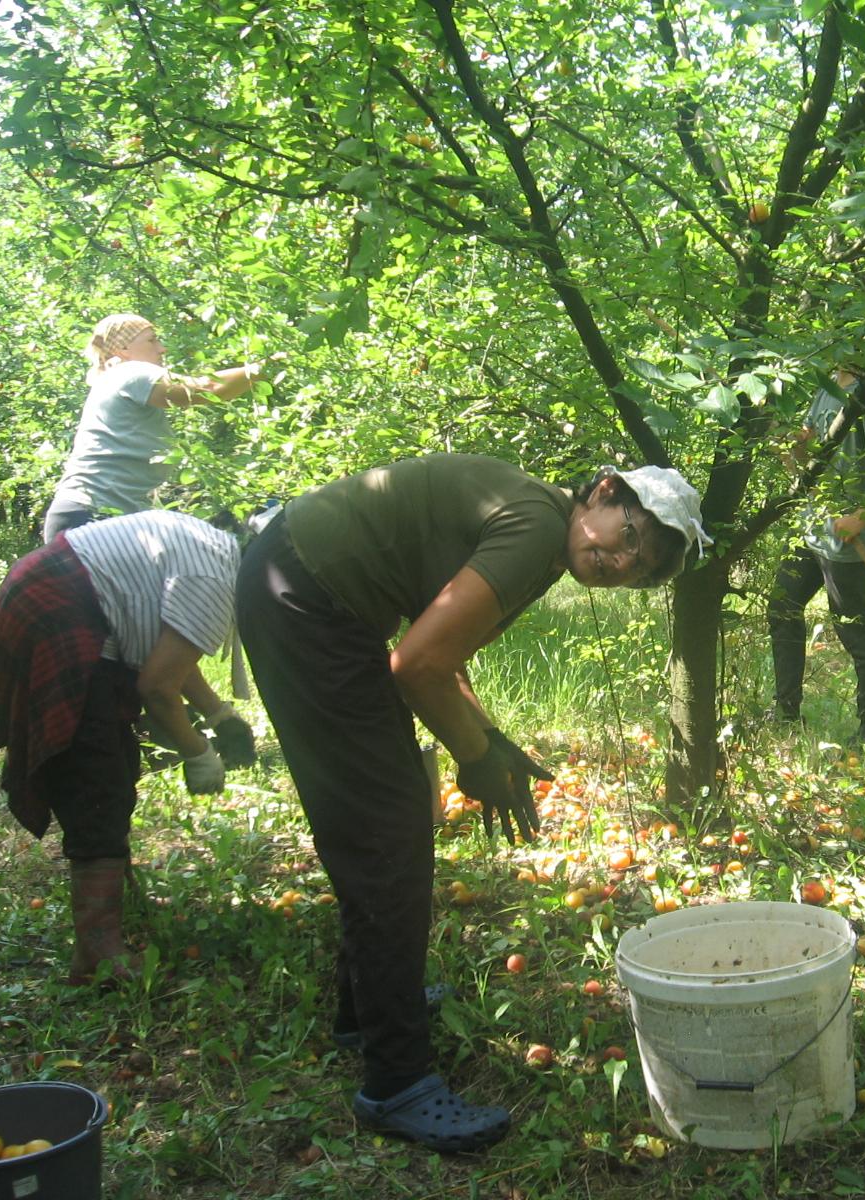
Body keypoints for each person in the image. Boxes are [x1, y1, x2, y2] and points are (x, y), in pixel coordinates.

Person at [235, 454, 710, 1152]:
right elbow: (415, 666)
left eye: (641, 570)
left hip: (310, 593)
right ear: (606, 493)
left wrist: (490, 739)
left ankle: (365, 1012)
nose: (622, 564)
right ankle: (396, 1083)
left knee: (386, 814)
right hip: (304, 602)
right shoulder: (535, 529)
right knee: (388, 830)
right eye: (632, 537)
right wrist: (474, 758)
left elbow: (439, 654)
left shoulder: (546, 536)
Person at [0, 509, 257, 983]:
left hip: (48, 590)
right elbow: (157, 688)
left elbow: (169, 651)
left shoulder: (211, 550)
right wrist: (199, 754)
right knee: (95, 774)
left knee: (113, 765)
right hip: (56, 608)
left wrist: (217, 714)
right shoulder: (214, 577)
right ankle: (97, 955)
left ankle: (107, 914)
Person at [767, 365, 865, 745]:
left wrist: (862, 515)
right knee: (782, 607)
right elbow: (808, 450)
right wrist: (789, 445)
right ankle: (785, 711)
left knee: (855, 630)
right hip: (812, 531)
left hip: (847, 541)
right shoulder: (824, 388)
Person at [42, 313, 274, 543]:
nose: (161, 349)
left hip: (89, 515)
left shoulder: (117, 379)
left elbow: (217, 394)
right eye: (152, 340)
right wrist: (268, 367)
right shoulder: (129, 371)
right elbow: (207, 389)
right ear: (122, 349)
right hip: (90, 515)